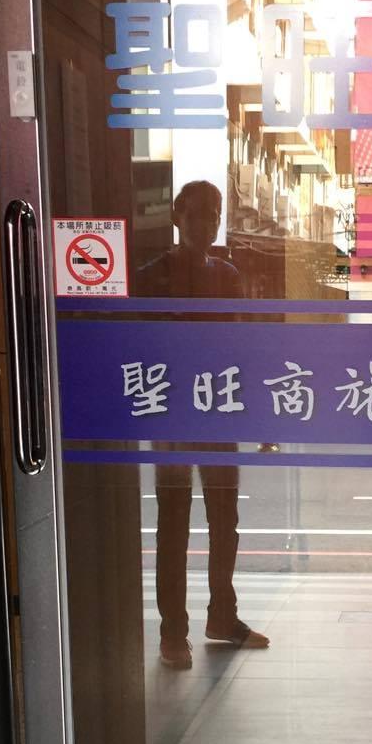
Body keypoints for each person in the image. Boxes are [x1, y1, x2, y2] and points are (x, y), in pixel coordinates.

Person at [135, 180, 269, 668]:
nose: (206, 224)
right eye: (196, 215)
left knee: (224, 520)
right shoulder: (151, 276)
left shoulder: (228, 276)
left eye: (213, 215)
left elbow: (239, 348)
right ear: (176, 216)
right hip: (172, 413)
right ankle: (174, 633)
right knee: (173, 523)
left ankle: (222, 616)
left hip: (218, 409)